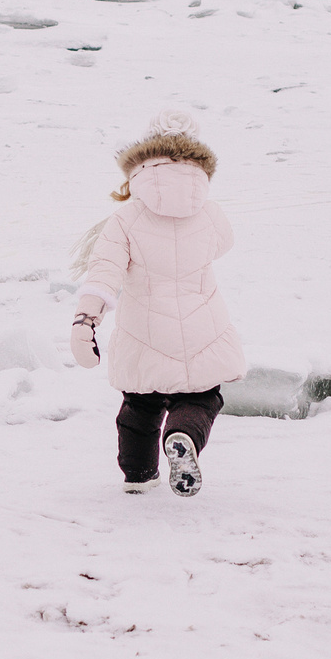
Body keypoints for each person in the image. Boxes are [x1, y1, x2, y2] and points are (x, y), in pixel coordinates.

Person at [68, 115, 246, 495]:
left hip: (143, 329)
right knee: (200, 397)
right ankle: (182, 435)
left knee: (140, 406)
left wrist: (86, 319)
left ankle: (138, 474)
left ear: (140, 167)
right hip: (203, 325)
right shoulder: (210, 213)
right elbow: (224, 244)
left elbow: (104, 271)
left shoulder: (125, 218)